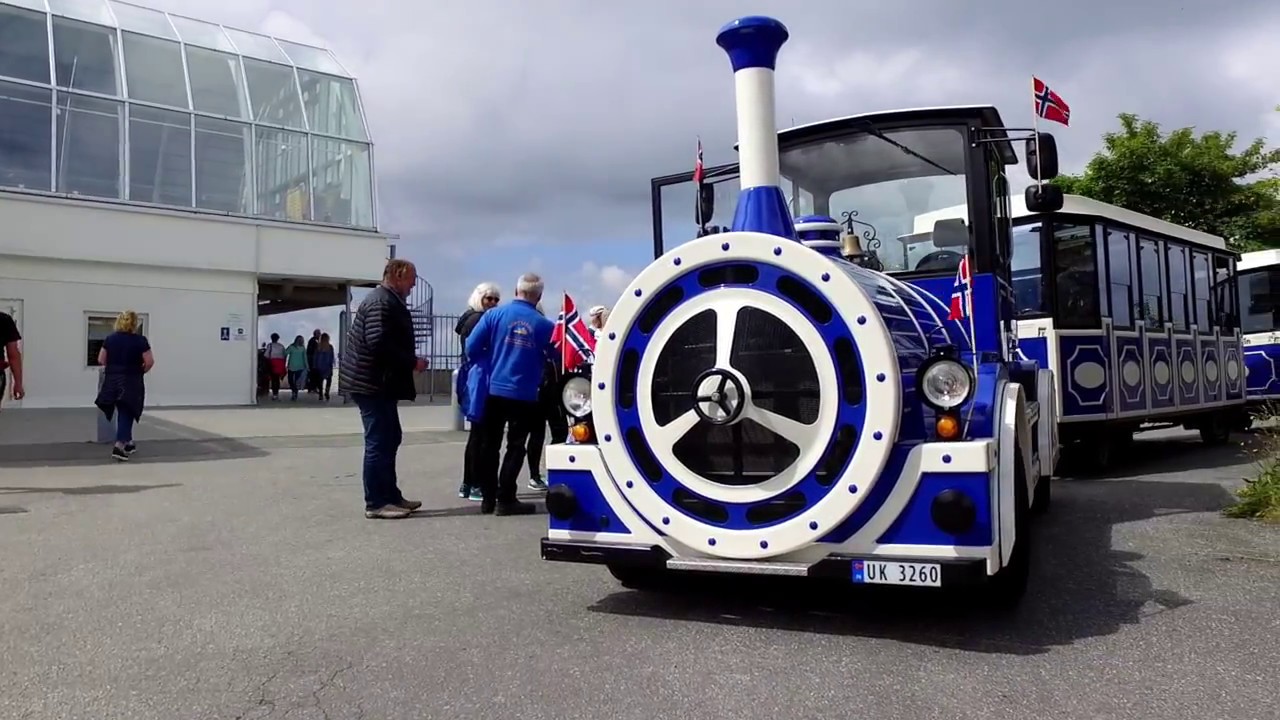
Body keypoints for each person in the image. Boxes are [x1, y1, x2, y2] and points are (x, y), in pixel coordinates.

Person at [340, 258, 428, 519]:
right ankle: (376, 502)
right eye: (412, 278)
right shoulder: (381, 301)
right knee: (379, 441)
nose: (413, 284)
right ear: (398, 276)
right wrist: (411, 361)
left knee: (390, 437)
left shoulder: (387, 300)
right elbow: (377, 342)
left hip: (379, 383)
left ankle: (390, 496)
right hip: (371, 383)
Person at [465, 272, 555, 515]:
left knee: (489, 444)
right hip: (525, 394)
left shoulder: (494, 315)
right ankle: (506, 498)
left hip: (495, 389)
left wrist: (490, 361)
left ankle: (487, 498)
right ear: (539, 296)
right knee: (516, 446)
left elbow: (471, 347)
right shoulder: (545, 325)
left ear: (517, 290)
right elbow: (557, 356)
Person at [454, 282, 500, 501]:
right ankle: (476, 484)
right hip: (479, 378)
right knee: (482, 435)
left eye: (495, 299)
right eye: (488, 298)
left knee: (476, 434)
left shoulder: (469, 318)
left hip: (473, 377)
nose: (491, 302)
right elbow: (476, 350)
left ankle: (468, 482)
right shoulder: (478, 320)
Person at [93, 310, 155, 462]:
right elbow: (149, 362)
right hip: (131, 379)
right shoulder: (140, 340)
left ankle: (129, 443)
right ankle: (119, 446)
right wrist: (141, 371)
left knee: (123, 409)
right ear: (134, 323)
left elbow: (101, 359)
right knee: (128, 410)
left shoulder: (110, 339)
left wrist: (115, 367)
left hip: (113, 379)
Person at [525, 304, 569, 490]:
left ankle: (553, 472)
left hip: (552, 390)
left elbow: (559, 357)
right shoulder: (532, 340)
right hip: (540, 390)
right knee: (538, 434)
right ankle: (535, 475)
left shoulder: (552, 336)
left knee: (559, 431)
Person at [0, 309, 22, 411]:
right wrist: (18, 383)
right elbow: (13, 355)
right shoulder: (4, 319)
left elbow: (13, 355)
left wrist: (18, 383)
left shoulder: (4, 320)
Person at [283, 335, 309, 401]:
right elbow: (305, 358)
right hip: (299, 367)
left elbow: (285, 353)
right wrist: (307, 367)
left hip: (293, 366)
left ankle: (294, 392)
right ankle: (295, 392)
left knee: (291, 381)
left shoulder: (292, 347)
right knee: (295, 381)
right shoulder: (302, 348)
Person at [264, 333, 287, 401]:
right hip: (280, 363)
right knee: (277, 379)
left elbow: (266, 355)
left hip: (272, 363)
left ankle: (274, 394)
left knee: (273, 379)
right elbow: (284, 355)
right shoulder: (281, 346)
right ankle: (276, 393)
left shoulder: (270, 345)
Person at [314, 332, 336, 401]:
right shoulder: (330, 347)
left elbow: (315, 357)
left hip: (319, 366)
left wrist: (314, 365)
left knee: (320, 381)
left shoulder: (318, 347)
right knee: (329, 380)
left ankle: (320, 394)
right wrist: (332, 364)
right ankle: (327, 392)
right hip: (328, 366)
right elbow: (332, 357)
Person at [305, 329, 321, 394]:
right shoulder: (314, 341)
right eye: (319, 333)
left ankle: (311, 388)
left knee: (312, 375)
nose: (320, 334)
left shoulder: (313, 340)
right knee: (313, 375)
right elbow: (313, 351)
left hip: (312, 361)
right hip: (313, 361)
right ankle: (312, 388)